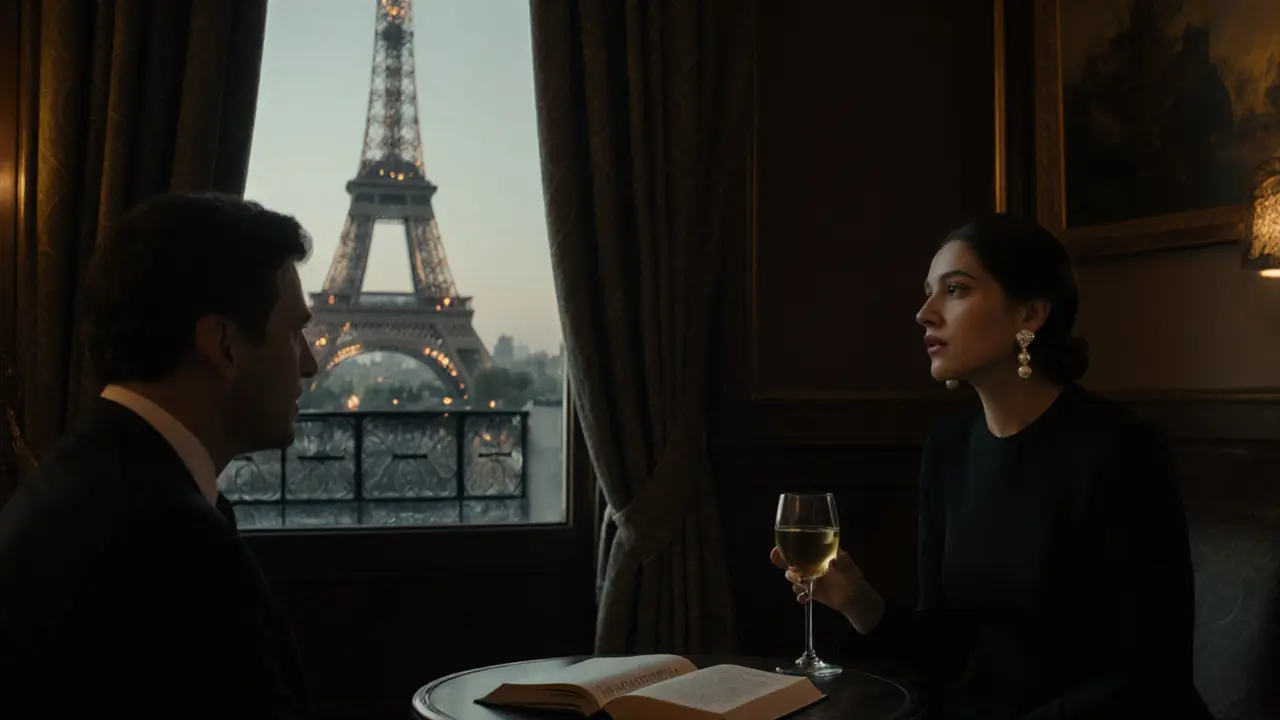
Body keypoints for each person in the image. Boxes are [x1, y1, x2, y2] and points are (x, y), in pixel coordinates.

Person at [772, 214, 1211, 719]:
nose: (924, 314)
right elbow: (945, 649)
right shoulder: (949, 449)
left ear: (1029, 313)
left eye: (955, 290)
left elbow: (1151, 674)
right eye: (928, 292)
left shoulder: (1121, 448)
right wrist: (859, 602)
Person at [0, 192, 319, 719]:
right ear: (223, 345)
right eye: (295, 332)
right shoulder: (173, 543)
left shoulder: (75, 482)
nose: (309, 364)